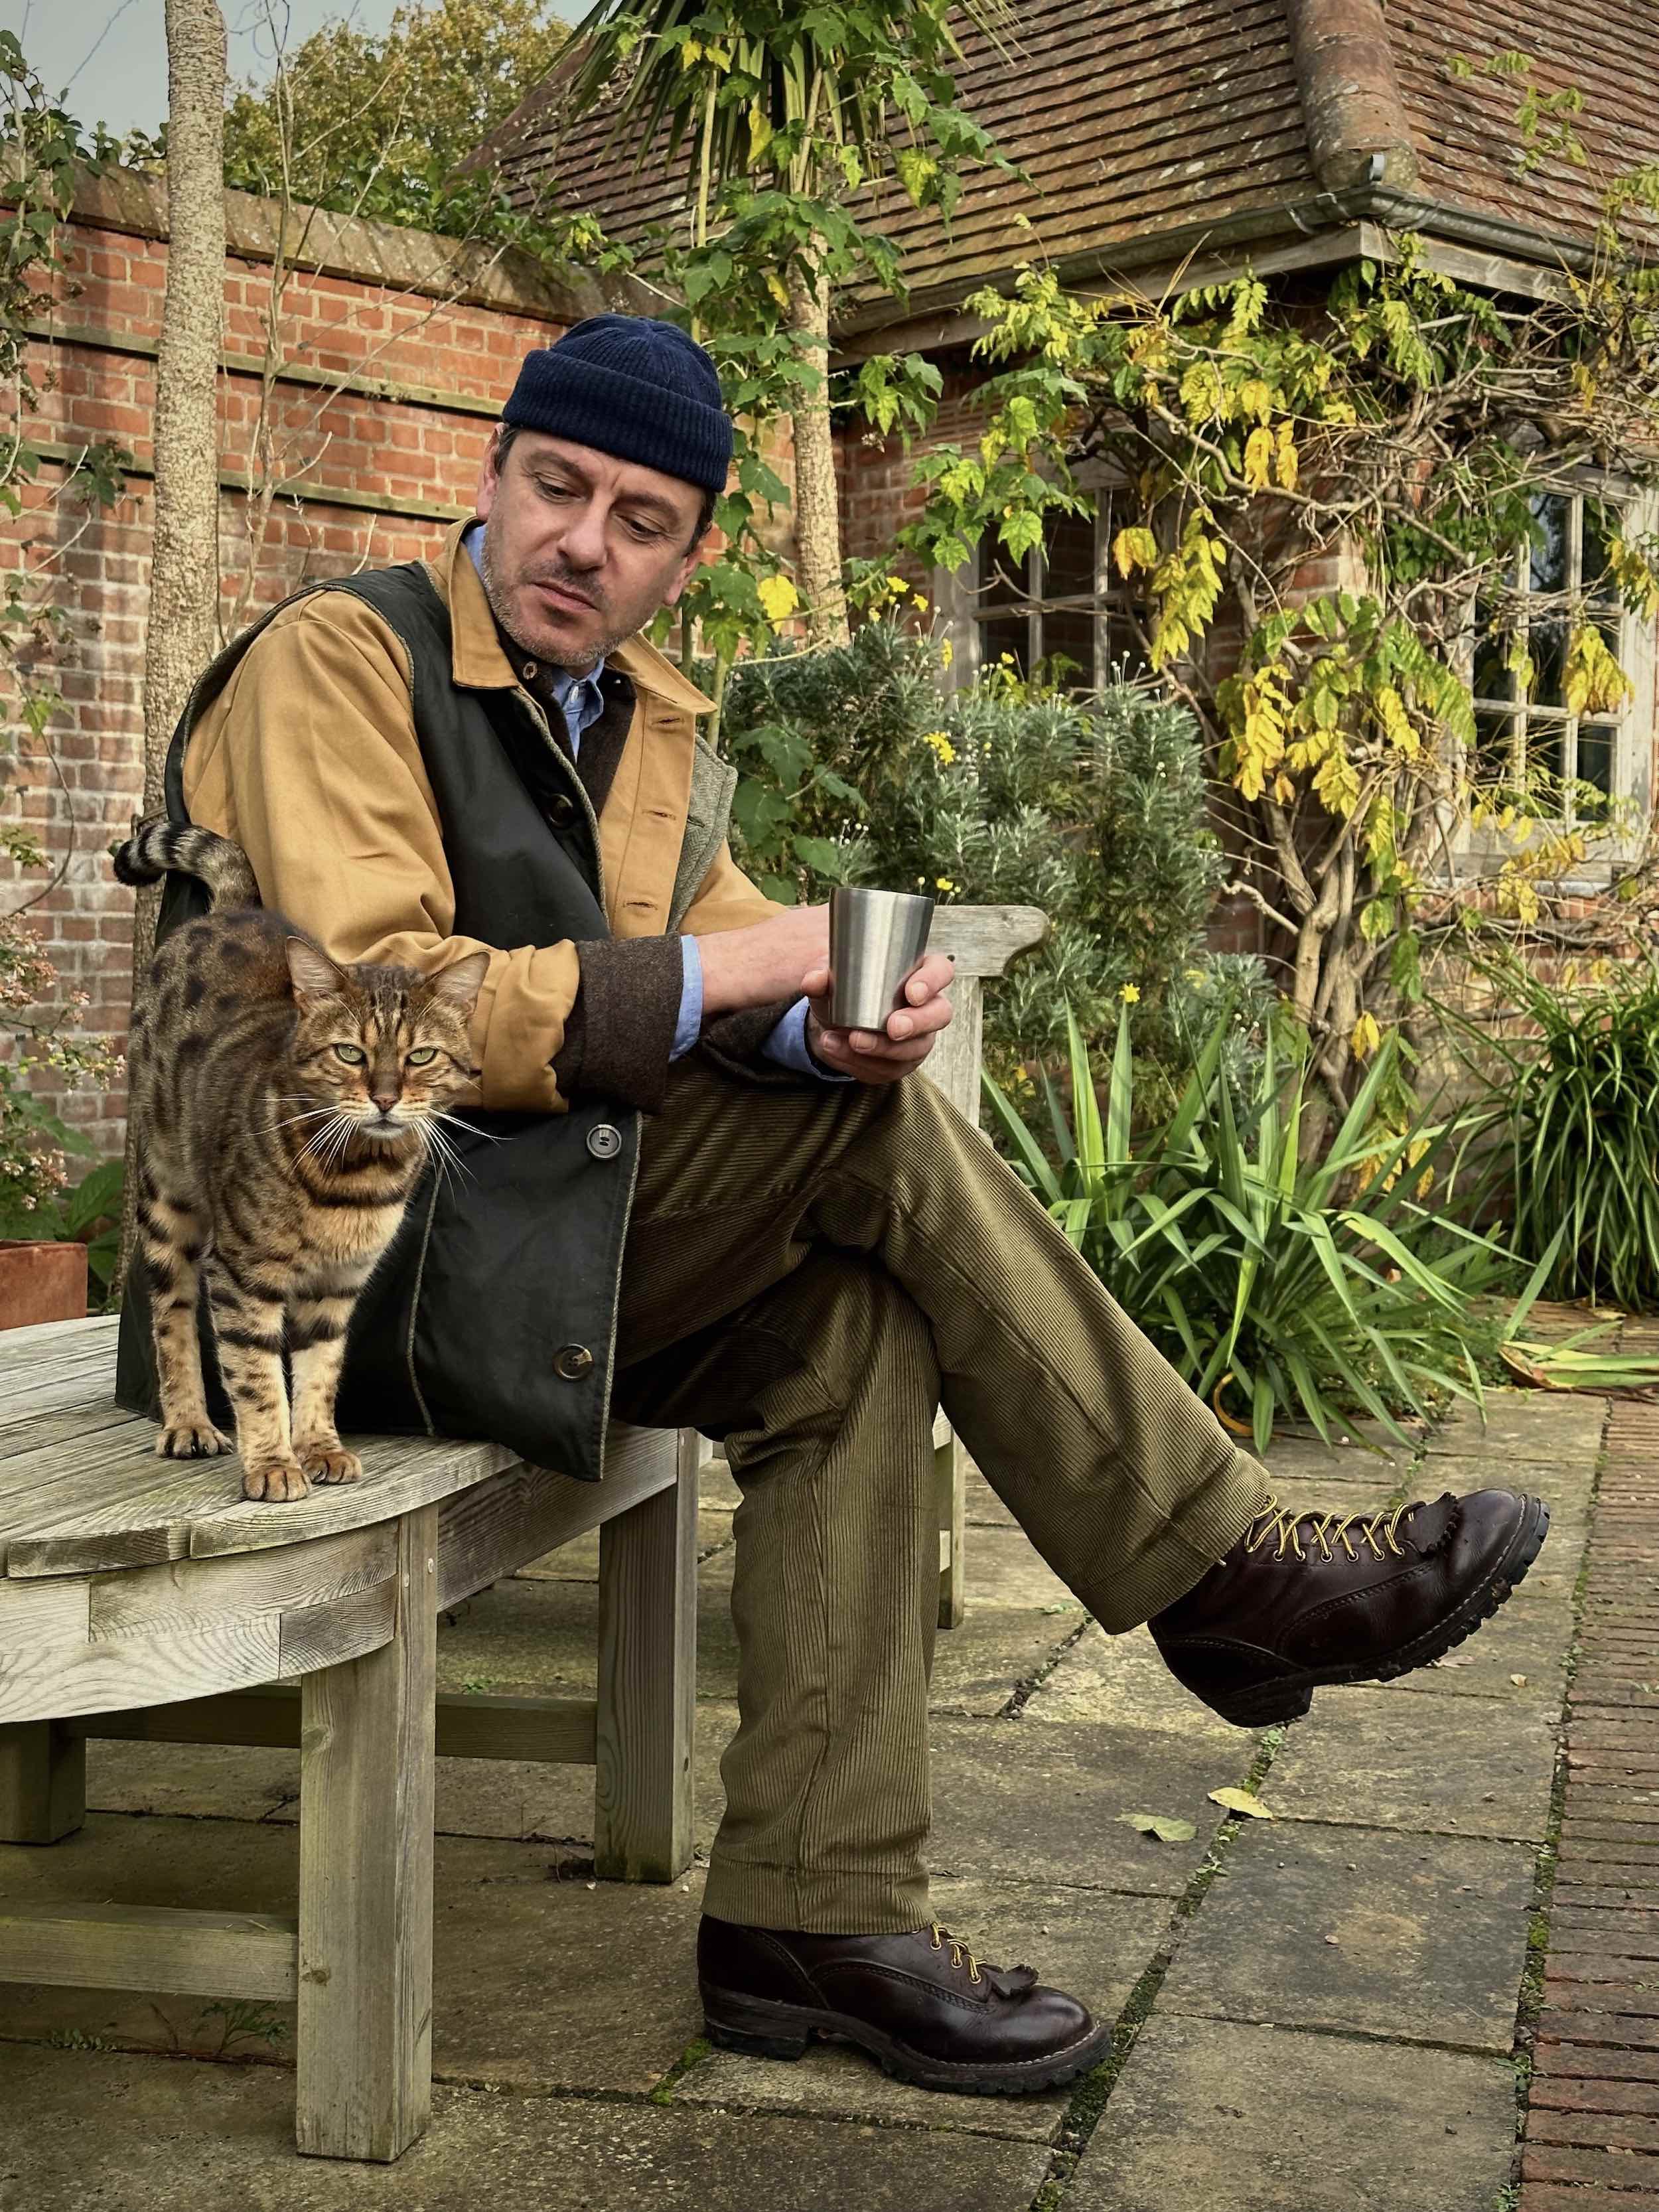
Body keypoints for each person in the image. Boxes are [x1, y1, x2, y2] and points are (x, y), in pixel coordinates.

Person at [126, 315, 1550, 2097]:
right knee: (870, 1167)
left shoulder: (644, 721)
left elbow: (733, 966)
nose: (586, 542)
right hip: (316, 1288)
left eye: (642, 519)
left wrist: (835, 1020)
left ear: (691, 549)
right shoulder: (340, 659)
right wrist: (763, 973)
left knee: (847, 1322)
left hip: (538, 1241)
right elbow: (388, 997)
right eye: (557, 488)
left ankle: (810, 1919)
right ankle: (1225, 1569)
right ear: (490, 474)